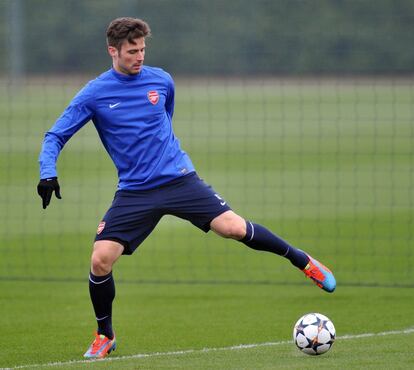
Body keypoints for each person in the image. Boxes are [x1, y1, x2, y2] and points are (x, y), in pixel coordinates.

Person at [37, 17, 336, 359]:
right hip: (136, 191)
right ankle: (105, 335)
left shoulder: (161, 81)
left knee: (234, 228)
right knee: (101, 259)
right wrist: (48, 172)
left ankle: (303, 261)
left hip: (179, 179)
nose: (139, 56)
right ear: (113, 51)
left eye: (143, 49)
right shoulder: (94, 93)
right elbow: (55, 135)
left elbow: (165, 120)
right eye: (132, 51)